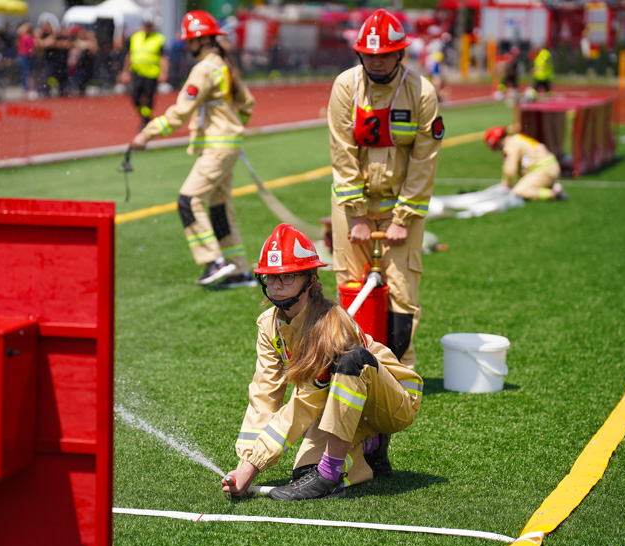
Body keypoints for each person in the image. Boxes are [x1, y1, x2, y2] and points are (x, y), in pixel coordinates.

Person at [222, 224, 423, 500]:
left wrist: (255, 466)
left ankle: (331, 473)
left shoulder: (332, 328)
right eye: (270, 278)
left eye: (287, 277)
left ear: (310, 279)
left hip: (391, 402)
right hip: (341, 403)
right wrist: (244, 462)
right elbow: (264, 394)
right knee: (304, 473)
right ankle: (370, 447)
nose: (276, 287)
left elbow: (306, 401)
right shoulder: (269, 325)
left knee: (351, 360)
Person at [328, 8, 444, 370]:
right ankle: (352, 370)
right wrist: (357, 215)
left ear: (400, 54)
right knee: (350, 289)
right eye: (369, 55)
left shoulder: (421, 92)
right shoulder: (346, 86)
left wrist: (404, 218)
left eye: (384, 55)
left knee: (402, 296)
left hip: (401, 208)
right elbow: (341, 152)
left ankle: (399, 375)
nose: (376, 63)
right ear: (360, 54)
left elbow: (425, 160)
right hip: (352, 207)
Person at [129, 10, 256, 287]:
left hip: (217, 146)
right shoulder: (223, 64)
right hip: (228, 144)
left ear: (201, 41)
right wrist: (235, 127)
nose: (186, 46)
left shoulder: (202, 70)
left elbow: (178, 114)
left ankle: (214, 261)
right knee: (220, 208)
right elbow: (247, 104)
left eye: (189, 41)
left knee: (188, 200)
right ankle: (238, 270)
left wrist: (145, 134)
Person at [483, 126, 566, 201]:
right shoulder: (516, 138)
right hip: (549, 166)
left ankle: (554, 194)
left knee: (519, 191)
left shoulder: (510, 145)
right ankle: (550, 187)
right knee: (522, 185)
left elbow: (510, 171)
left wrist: (506, 183)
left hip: (542, 169)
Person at [120, 14, 169, 129]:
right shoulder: (135, 37)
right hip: (137, 72)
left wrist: (163, 72)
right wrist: (125, 71)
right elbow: (129, 55)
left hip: (151, 73)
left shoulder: (159, 38)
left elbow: (163, 57)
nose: (147, 27)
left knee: (149, 98)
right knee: (134, 96)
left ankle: (146, 120)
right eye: (145, 25)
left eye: (149, 25)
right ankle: (145, 116)